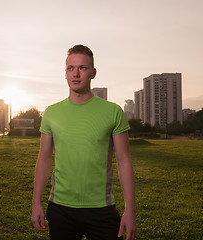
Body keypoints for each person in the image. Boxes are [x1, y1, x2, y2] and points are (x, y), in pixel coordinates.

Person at [31, 44, 136, 240]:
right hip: (61, 209)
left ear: (93, 73)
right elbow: (44, 159)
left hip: (102, 209)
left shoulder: (113, 112)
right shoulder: (52, 113)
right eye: (70, 68)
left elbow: (124, 161)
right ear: (65, 73)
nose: (76, 74)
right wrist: (36, 202)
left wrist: (130, 210)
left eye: (83, 68)